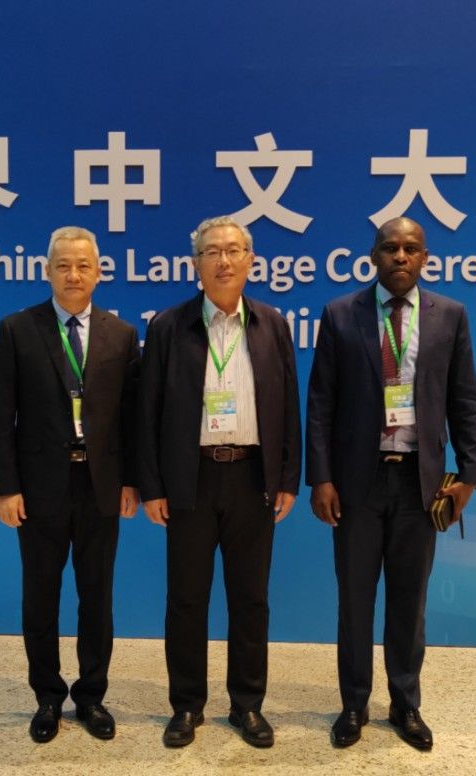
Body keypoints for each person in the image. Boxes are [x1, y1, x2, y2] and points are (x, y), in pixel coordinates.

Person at [305, 216, 476, 751]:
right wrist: (321, 478)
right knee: (355, 601)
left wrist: (469, 475)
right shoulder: (341, 314)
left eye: (410, 248)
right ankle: (353, 704)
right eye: (389, 248)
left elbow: (464, 399)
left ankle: (405, 703)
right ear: (373, 256)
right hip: (356, 485)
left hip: (419, 486)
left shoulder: (450, 315)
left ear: (425, 257)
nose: (400, 256)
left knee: (410, 601)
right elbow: (320, 404)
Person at [137, 215, 301, 749]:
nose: (224, 261)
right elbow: (147, 412)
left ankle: (247, 705)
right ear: (196, 264)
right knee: (186, 598)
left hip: (253, 477)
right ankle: (187, 705)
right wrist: (152, 485)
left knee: (251, 599)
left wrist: (288, 477)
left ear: (251, 260)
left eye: (234, 251)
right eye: (212, 252)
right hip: (191, 479)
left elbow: (289, 405)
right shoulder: (169, 326)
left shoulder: (272, 324)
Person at [0, 226, 140, 744]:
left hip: (101, 486)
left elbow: (132, 417)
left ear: (98, 272)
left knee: (97, 597)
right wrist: (6, 488)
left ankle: (91, 695)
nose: (74, 275)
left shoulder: (122, 334)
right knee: (40, 596)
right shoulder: (17, 329)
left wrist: (132, 481)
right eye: (64, 265)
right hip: (38, 489)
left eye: (83, 265)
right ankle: (48, 697)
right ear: (47, 271)